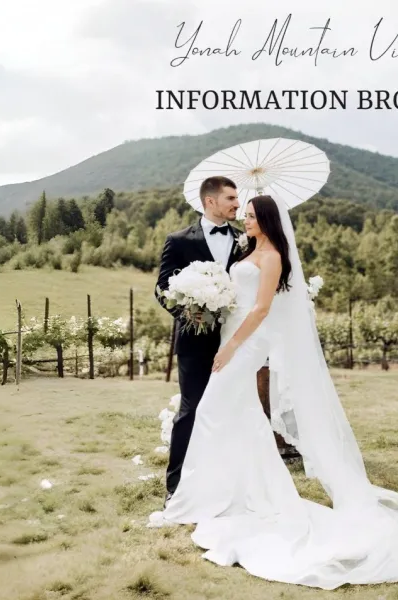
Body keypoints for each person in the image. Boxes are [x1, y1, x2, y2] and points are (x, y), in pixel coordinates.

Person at [150, 195, 398, 590]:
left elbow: (263, 308)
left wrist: (232, 347)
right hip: (230, 336)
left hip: (247, 343)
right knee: (239, 414)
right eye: (242, 214)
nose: (244, 221)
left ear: (266, 219)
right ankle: (232, 492)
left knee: (213, 411)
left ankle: (214, 495)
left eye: (250, 215)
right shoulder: (248, 249)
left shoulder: (273, 257)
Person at [154, 176, 242, 503]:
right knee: (191, 410)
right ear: (210, 201)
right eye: (231, 198)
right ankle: (176, 488)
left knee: (231, 410)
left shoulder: (245, 241)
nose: (237, 204)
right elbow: (162, 287)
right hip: (193, 341)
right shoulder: (178, 241)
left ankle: (222, 481)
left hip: (235, 340)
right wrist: (190, 314)